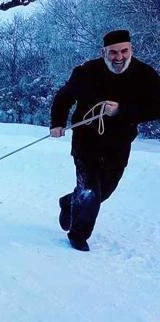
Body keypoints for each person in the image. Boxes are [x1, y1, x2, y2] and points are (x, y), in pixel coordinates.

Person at [50, 30, 160, 252]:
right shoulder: (86, 72)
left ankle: (69, 202)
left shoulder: (145, 75)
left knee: (105, 190)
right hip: (86, 139)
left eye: (123, 51)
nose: (118, 57)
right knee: (90, 189)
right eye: (113, 52)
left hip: (119, 143)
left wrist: (122, 110)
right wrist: (57, 122)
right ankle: (78, 234)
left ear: (131, 50)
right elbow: (64, 97)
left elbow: (157, 107)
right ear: (104, 52)